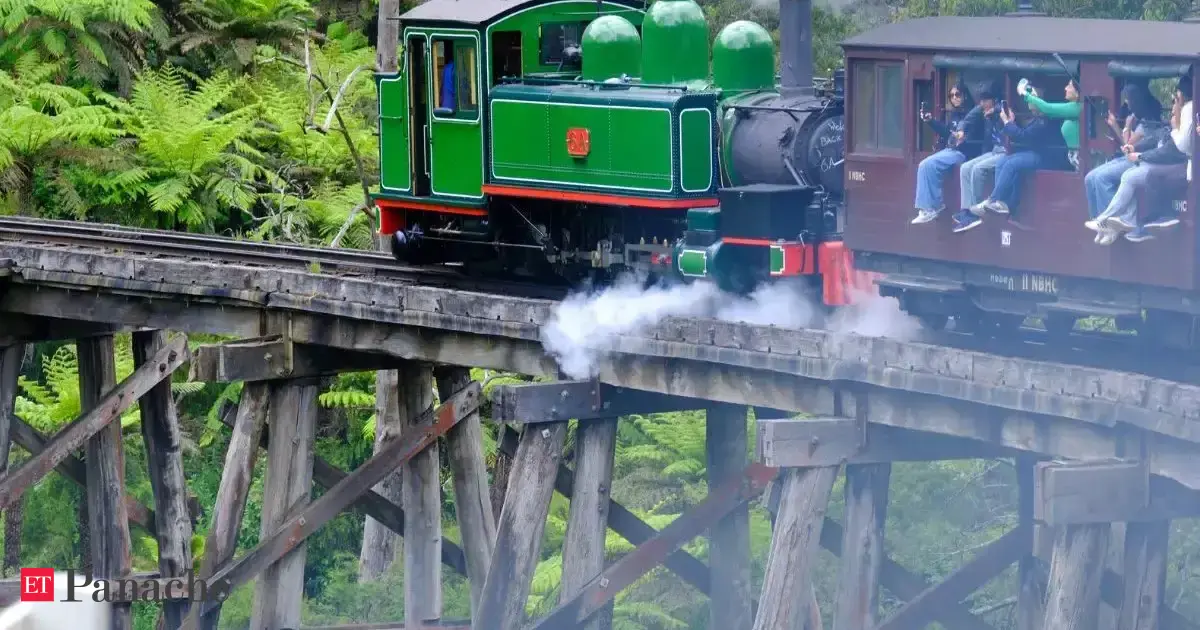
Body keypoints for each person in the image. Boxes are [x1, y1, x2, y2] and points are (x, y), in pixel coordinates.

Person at [1093, 76, 1193, 243]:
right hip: (1161, 161)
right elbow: (1156, 139)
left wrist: (1135, 147)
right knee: (1127, 174)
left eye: (1175, 100)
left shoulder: (1187, 111)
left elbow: (1175, 149)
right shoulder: (1170, 123)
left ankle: (1106, 219)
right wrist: (1137, 149)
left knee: (1127, 175)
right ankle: (1120, 222)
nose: (1172, 106)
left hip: (1176, 165)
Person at [1083, 82, 1165, 244]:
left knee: (1101, 178)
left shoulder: (1148, 122)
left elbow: (1127, 144)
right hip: (1129, 158)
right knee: (1089, 177)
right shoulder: (1139, 118)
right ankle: (1100, 222)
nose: (1127, 102)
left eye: (1129, 99)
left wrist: (1120, 125)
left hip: (1138, 160)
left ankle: (1111, 225)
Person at [968, 100, 1069, 219]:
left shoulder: (1044, 120)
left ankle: (994, 200)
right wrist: (1011, 122)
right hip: (1034, 153)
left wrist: (1007, 122)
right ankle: (1000, 203)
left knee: (1012, 163)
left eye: (1031, 100)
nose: (1028, 102)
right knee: (1002, 161)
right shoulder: (1037, 118)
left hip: (1045, 157)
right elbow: (1023, 134)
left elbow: (1024, 136)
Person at [911, 81, 978, 224]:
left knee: (927, 164)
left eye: (957, 94)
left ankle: (932, 207)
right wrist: (930, 121)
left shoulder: (972, 114)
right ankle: (930, 206)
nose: (954, 98)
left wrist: (963, 139)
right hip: (950, 149)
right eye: (951, 95)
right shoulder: (954, 114)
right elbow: (947, 132)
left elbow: (975, 138)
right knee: (923, 165)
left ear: (965, 95)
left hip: (961, 153)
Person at [950, 82, 1005, 233]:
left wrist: (996, 110)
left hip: (1006, 151)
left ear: (994, 100)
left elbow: (1006, 110)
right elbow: (967, 119)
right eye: (981, 100)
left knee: (978, 168)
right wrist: (961, 130)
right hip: (994, 150)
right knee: (966, 167)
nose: (982, 104)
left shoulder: (1003, 107)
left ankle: (975, 211)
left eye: (985, 100)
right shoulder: (982, 107)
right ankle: (966, 211)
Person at [1020, 77, 1080, 168]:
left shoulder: (1078, 107)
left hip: (1080, 156)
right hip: (1075, 156)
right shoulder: (1074, 107)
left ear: (1077, 92)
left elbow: (1048, 108)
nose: (1066, 88)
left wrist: (1025, 94)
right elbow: (1046, 111)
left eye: (1069, 86)